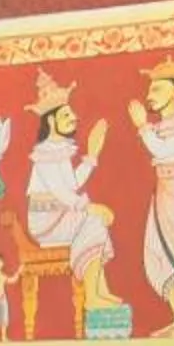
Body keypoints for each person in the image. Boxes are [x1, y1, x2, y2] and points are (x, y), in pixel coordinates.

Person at [22, 72, 123, 325]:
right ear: (52, 120)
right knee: (92, 222)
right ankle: (92, 295)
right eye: (66, 115)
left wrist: (92, 154)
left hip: (62, 214)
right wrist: (90, 207)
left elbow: (72, 184)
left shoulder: (62, 149)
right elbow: (61, 192)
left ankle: (99, 290)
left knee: (95, 223)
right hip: (47, 221)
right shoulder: (45, 152)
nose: (74, 118)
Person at [129, 58, 174, 324]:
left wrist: (142, 125)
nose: (149, 96)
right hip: (164, 192)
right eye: (149, 90)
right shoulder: (159, 126)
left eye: (157, 89)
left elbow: (164, 151)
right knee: (157, 253)